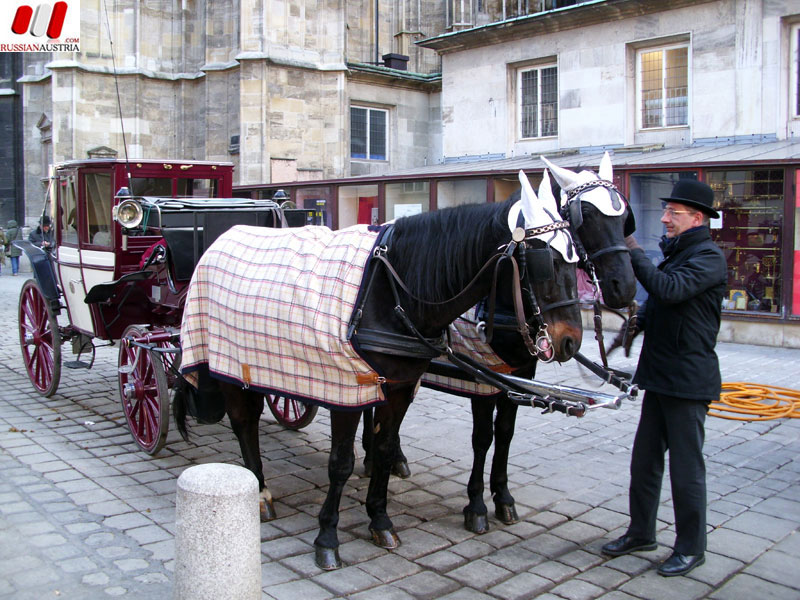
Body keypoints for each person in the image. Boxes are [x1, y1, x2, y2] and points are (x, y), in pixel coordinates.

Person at [602, 180, 727, 577]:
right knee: (645, 462)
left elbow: (669, 290)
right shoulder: (679, 254)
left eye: (674, 212)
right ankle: (641, 532)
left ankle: (692, 548)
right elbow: (659, 303)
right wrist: (633, 328)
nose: (666, 218)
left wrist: (633, 250)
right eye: (667, 211)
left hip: (688, 383)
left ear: (698, 218)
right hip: (660, 377)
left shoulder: (708, 257)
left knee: (686, 470)